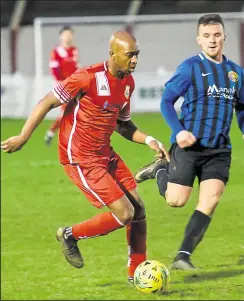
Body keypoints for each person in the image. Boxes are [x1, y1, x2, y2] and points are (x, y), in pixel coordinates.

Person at [1, 31, 169, 283]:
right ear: (113, 54)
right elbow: (47, 102)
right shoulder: (87, 77)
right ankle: (69, 234)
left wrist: (149, 140)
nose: (135, 61)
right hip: (79, 157)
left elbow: (123, 125)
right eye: (130, 55)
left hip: (105, 153)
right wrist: (23, 136)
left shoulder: (127, 84)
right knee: (124, 214)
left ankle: (136, 274)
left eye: (137, 55)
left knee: (139, 209)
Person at [135, 13, 244, 270]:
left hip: (219, 150)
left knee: (211, 199)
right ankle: (161, 169)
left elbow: (242, 107)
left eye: (217, 35)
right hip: (189, 146)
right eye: (206, 36)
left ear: (224, 37)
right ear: (199, 40)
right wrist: (179, 131)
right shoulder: (190, 68)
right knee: (176, 200)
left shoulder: (236, 73)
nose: (212, 40)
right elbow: (166, 101)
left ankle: (183, 256)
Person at [44, 25, 79, 145]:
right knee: (68, 112)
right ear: (61, 37)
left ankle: (54, 133)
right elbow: (54, 69)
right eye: (65, 35)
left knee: (73, 112)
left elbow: (76, 67)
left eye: (70, 34)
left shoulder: (74, 50)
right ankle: (58, 134)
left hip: (75, 85)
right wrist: (61, 83)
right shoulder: (56, 51)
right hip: (63, 86)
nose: (68, 37)